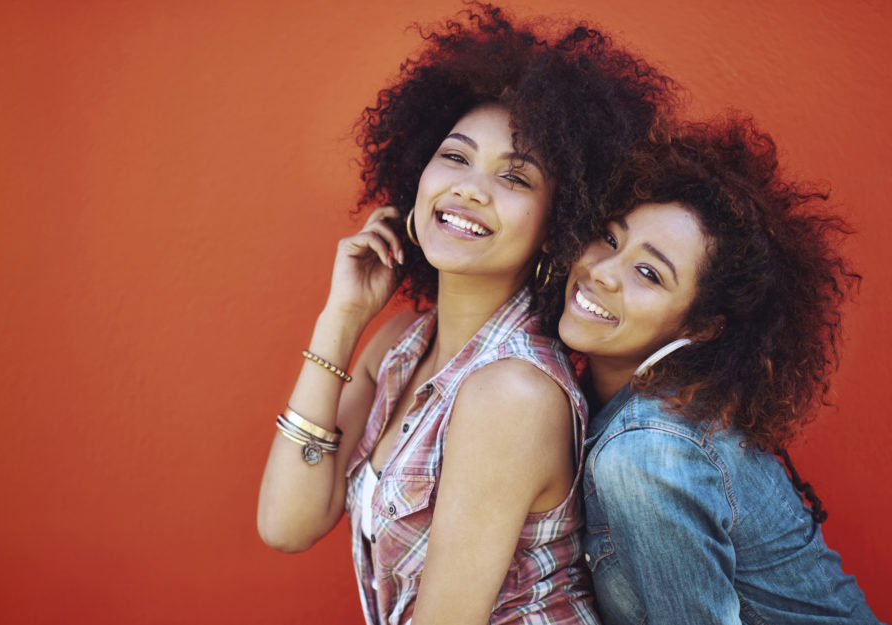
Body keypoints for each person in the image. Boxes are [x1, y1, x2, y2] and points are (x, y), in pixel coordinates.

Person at [256, 5, 674, 624]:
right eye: (455, 157)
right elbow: (286, 524)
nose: (471, 188)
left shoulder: (513, 394)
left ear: (558, 225)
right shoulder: (400, 345)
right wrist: (342, 319)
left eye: (515, 177)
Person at [557, 117, 881, 624]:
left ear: (704, 326)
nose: (601, 271)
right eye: (610, 239)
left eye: (649, 273)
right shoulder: (605, 405)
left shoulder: (646, 453)